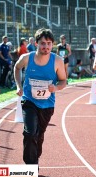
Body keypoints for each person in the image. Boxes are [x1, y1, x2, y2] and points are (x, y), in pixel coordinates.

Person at [13, 28, 66, 168]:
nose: (46, 47)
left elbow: (63, 81)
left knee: (39, 135)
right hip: (29, 101)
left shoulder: (57, 61)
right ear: (36, 43)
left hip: (47, 105)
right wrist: (18, 86)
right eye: (43, 43)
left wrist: (56, 88)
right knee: (30, 133)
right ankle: (31, 167)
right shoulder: (27, 58)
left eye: (49, 43)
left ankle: (34, 157)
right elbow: (17, 68)